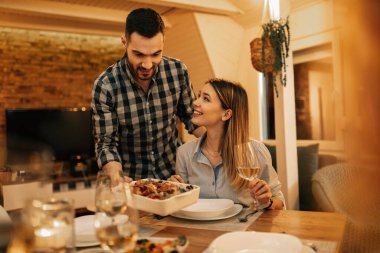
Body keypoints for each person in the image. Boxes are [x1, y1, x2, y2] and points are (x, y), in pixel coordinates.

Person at [91, 8, 204, 180]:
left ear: (163, 43)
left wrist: (222, 147)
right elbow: (106, 144)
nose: (147, 64)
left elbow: (191, 117)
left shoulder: (178, 71)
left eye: (156, 54)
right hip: (131, 183)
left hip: (174, 176)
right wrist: (116, 175)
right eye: (138, 54)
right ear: (124, 42)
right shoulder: (105, 85)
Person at [169, 78, 285, 209]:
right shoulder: (184, 153)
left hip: (245, 227)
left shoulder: (256, 150)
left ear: (226, 114)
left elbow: (279, 202)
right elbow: (183, 204)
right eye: (199, 96)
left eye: (206, 99)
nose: (195, 102)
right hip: (200, 228)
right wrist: (175, 192)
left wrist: (267, 201)